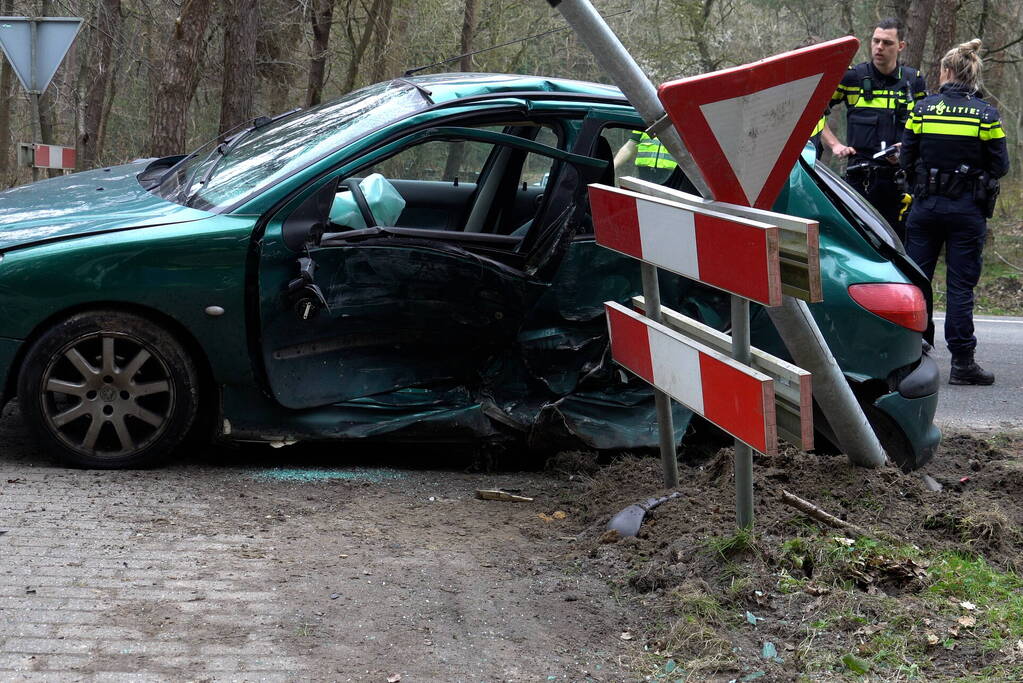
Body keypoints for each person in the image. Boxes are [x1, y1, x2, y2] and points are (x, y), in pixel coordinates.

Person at [901, 38, 1008, 385]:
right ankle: (962, 363)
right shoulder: (987, 115)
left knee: (917, 281)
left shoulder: (922, 109)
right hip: (966, 210)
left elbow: (906, 158)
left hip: (926, 207)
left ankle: (913, 353)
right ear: (972, 74)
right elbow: (1001, 165)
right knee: (961, 287)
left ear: (947, 71)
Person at [821, 18, 927, 240]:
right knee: (858, 241)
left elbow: (925, 127)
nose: (879, 47)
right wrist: (835, 144)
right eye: (876, 41)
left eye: (887, 43)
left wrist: (907, 147)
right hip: (860, 180)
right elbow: (813, 112)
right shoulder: (852, 78)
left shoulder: (913, 81)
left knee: (899, 244)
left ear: (901, 46)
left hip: (900, 182)